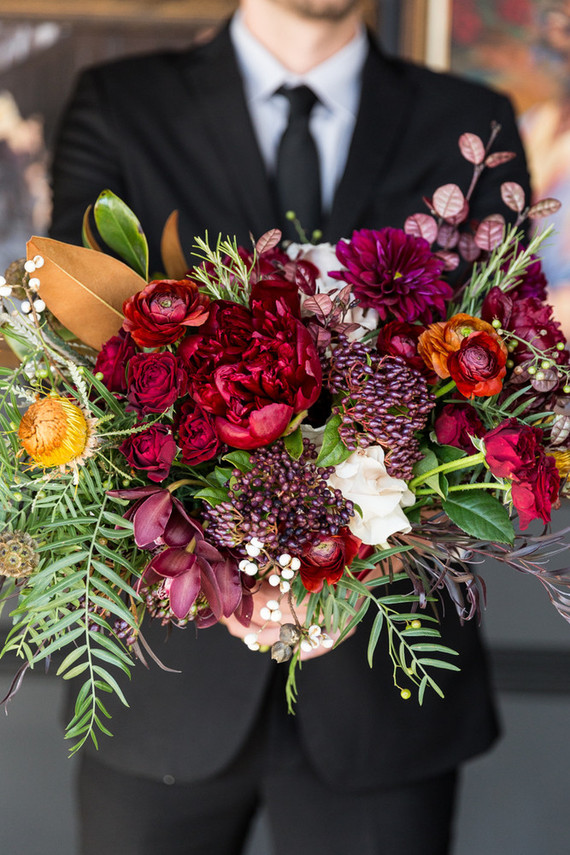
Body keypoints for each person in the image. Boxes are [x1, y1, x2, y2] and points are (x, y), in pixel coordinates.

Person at [49, 1, 531, 853]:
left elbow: (497, 387)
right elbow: (79, 369)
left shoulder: (469, 124)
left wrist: (353, 560)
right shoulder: (121, 103)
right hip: (167, 687)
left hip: (388, 685)